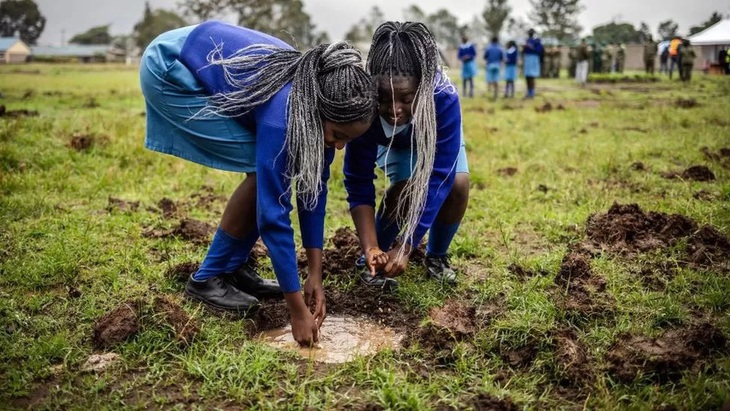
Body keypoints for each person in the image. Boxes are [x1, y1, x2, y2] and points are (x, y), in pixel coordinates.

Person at [139, 21, 376, 346]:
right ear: (318, 112)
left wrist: (315, 274)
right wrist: (296, 310)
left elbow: (313, 192)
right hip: (171, 67)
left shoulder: (317, 97)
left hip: (194, 53)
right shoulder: (285, 114)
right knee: (262, 167)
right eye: (337, 135)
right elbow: (272, 215)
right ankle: (207, 279)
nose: (339, 147)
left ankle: (233, 268)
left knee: (277, 165)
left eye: (348, 140)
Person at [344, 21, 470, 288]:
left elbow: (440, 175)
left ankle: (436, 257)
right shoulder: (364, 103)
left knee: (458, 184)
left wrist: (408, 244)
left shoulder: (442, 97)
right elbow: (358, 181)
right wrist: (370, 246)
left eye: (405, 97)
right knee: (403, 192)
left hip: (430, 139)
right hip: (390, 143)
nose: (394, 109)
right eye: (384, 96)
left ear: (422, 87)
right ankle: (372, 258)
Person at [522, 28, 543, 99]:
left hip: (533, 59)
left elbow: (539, 50)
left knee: (532, 76)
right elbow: (524, 51)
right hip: (527, 59)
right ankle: (528, 92)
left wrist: (531, 47)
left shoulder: (537, 41)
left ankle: (532, 93)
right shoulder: (527, 40)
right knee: (527, 76)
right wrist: (525, 47)